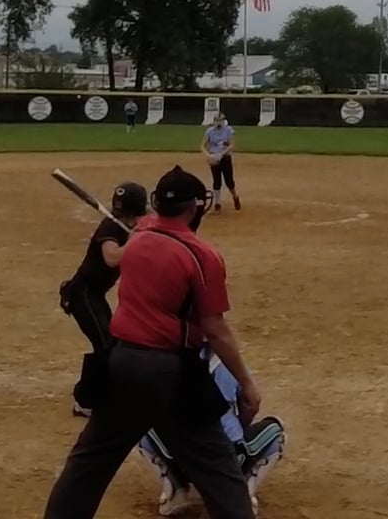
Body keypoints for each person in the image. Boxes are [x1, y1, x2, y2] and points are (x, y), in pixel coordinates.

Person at [42, 166, 261, 519]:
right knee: (218, 470)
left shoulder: (139, 236)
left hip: (121, 363)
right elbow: (215, 329)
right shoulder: (202, 255)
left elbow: (140, 235)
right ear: (194, 207)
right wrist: (246, 384)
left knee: (88, 465)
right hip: (173, 372)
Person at [137, 351, 286, 515]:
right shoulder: (230, 365)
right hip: (228, 461)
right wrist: (237, 426)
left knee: (144, 423)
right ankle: (242, 495)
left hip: (182, 458)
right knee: (276, 430)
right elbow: (251, 405)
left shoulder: (171, 363)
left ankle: (175, 488)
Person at [61, 181, 147, 416]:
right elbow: (112, 258)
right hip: (82, 294)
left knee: (113, 342)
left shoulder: (129, 226)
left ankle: (104, 391)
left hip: (95, 295)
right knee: (105, 344)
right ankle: (84, 401)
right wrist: (135, 240)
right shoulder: (111, 227)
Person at [203, 113, 240, 212]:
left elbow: (232, 145)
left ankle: (235, 197)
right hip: (214, 158)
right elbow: (202, 146)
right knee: (217, 181)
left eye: (220, 121)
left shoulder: (228, 130)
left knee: (229, 181)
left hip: (225, 157)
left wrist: (221, 154)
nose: (218, 123)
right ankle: (217, 203)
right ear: (213, 121)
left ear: (224, 121)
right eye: (217, 120)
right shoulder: (209, 132)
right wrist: (208, 155)